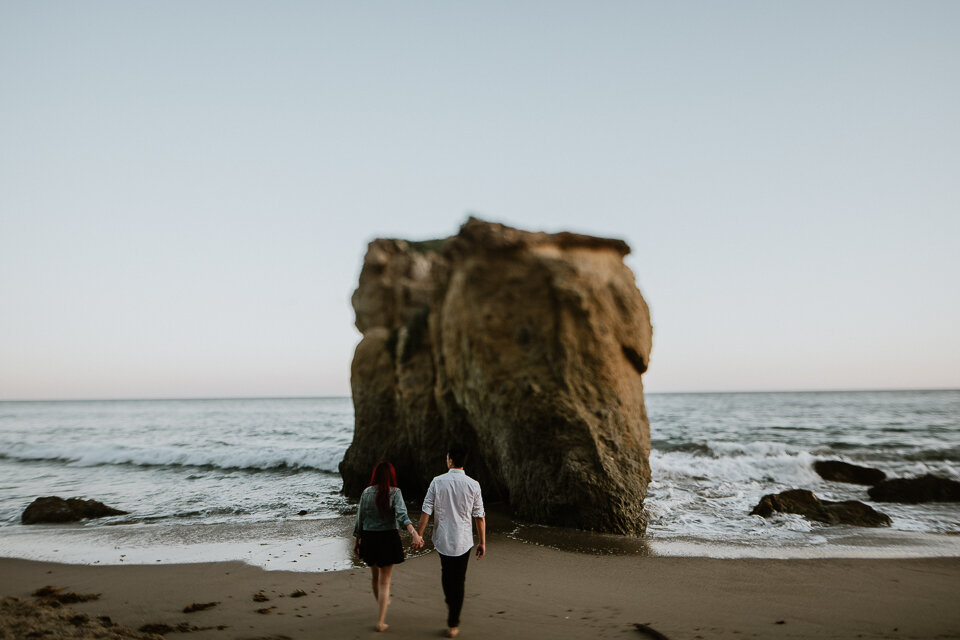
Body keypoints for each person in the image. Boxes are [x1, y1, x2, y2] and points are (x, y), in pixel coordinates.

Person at [416, 445, 486, 638]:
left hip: (443, 539)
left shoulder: (438, 482)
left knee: (447, 574)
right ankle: (453, 623)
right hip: (463, 540)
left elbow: (426, 510)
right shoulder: (474, 485)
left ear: (451, 461)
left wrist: (419, 535)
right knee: (460, 579)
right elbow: (479, 516)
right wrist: (483, 542)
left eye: (447, 457)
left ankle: (450, 605)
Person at [352, 460, 424, 632]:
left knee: (375, 579)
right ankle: (381, 621)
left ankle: (381, 606)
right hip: (388, 538)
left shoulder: (366, 492)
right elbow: (402, 516)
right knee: (385, 583)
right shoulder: (395, 492)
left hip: (369, 539)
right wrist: (414, 534)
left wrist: (357, 540)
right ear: (391, 475)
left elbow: (359, 518)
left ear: (375, 475)